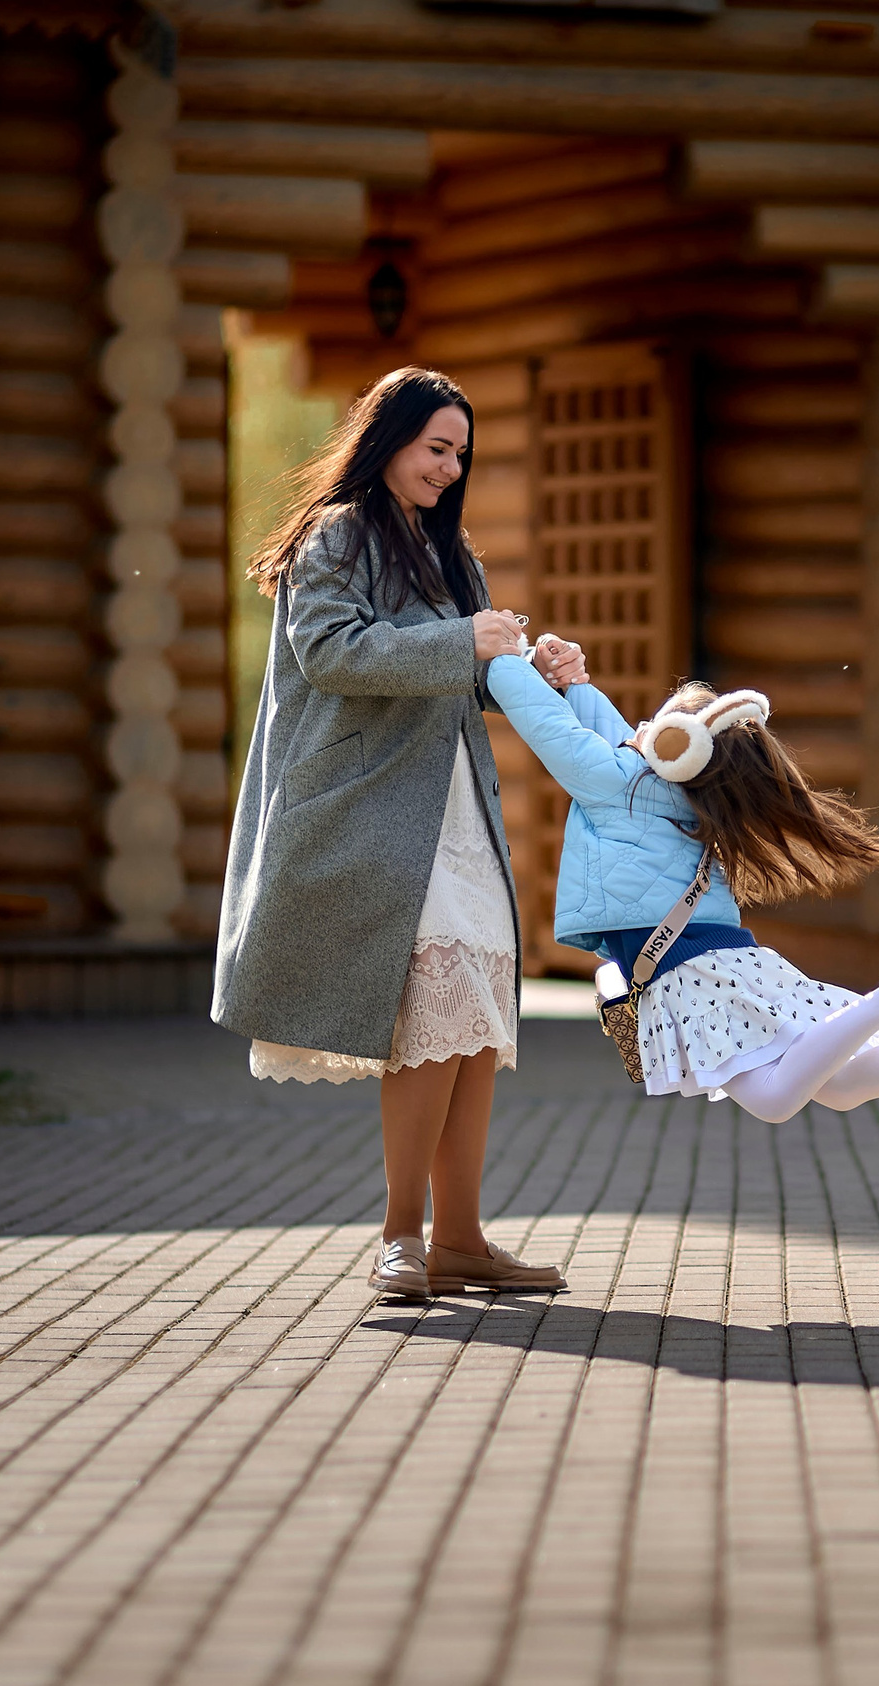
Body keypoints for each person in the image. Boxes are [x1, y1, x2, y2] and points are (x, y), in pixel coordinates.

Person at [213, 366, 577, 1303]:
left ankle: (460, 1239)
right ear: (390, 440)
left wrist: (540, 669)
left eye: (461, 454)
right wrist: (469, 644)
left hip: (456, 810)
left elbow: (468, 675)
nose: (451, 469)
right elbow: (331, 653)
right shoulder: (336, 537)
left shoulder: (452, 555)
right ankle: (400, 1235)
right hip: (375, 811)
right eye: (436, 449)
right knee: (434, 1007)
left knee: (475, 1017)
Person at [482, 647, 879, 1132]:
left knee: (774, 1099)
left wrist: (506, 656)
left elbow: (548, 728)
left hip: (689, 971)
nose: (642, 727)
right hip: (728, 961)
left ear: (679, 747)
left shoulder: (616, 785)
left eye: (659, 723)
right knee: (838, 1086)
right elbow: (600, 728)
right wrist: (566, 679)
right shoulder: (671, 794)